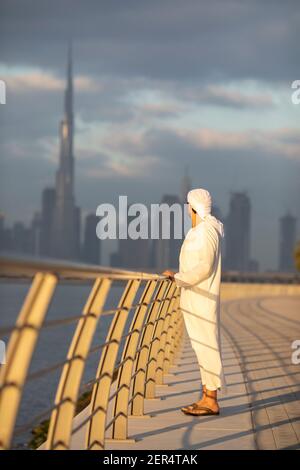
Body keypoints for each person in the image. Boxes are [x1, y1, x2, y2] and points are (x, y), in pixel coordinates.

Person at [163, 188, 226, 416]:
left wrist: (178, 277)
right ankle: (206, 397)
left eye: (187, 205)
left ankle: (211, 400)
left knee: (207, 346)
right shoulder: (200, 230)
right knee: (202, 347)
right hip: (195, 298)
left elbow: (204, 266)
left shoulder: (207, 230)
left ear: (192, 207)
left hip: (202, 298)